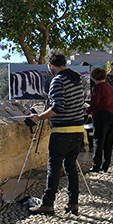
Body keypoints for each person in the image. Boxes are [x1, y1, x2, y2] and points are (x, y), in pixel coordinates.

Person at [29, 49, 86, 215]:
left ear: (51, 65)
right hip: (77, 129)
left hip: (62, 131)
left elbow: (57, 108)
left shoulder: (58, 81)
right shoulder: (78, 78)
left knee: (54, 167)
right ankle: (73, 203)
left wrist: (39, 117)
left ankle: (48, 203)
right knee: (70, 166)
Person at [86, 67, 113, 172]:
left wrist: (87, 111)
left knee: (98, 141)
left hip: (102, 115)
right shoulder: (109, 87)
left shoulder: (98, 87)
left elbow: (95, 103)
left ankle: (96, 165)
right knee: (109, 141)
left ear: (94, 77)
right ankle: (106, 165)